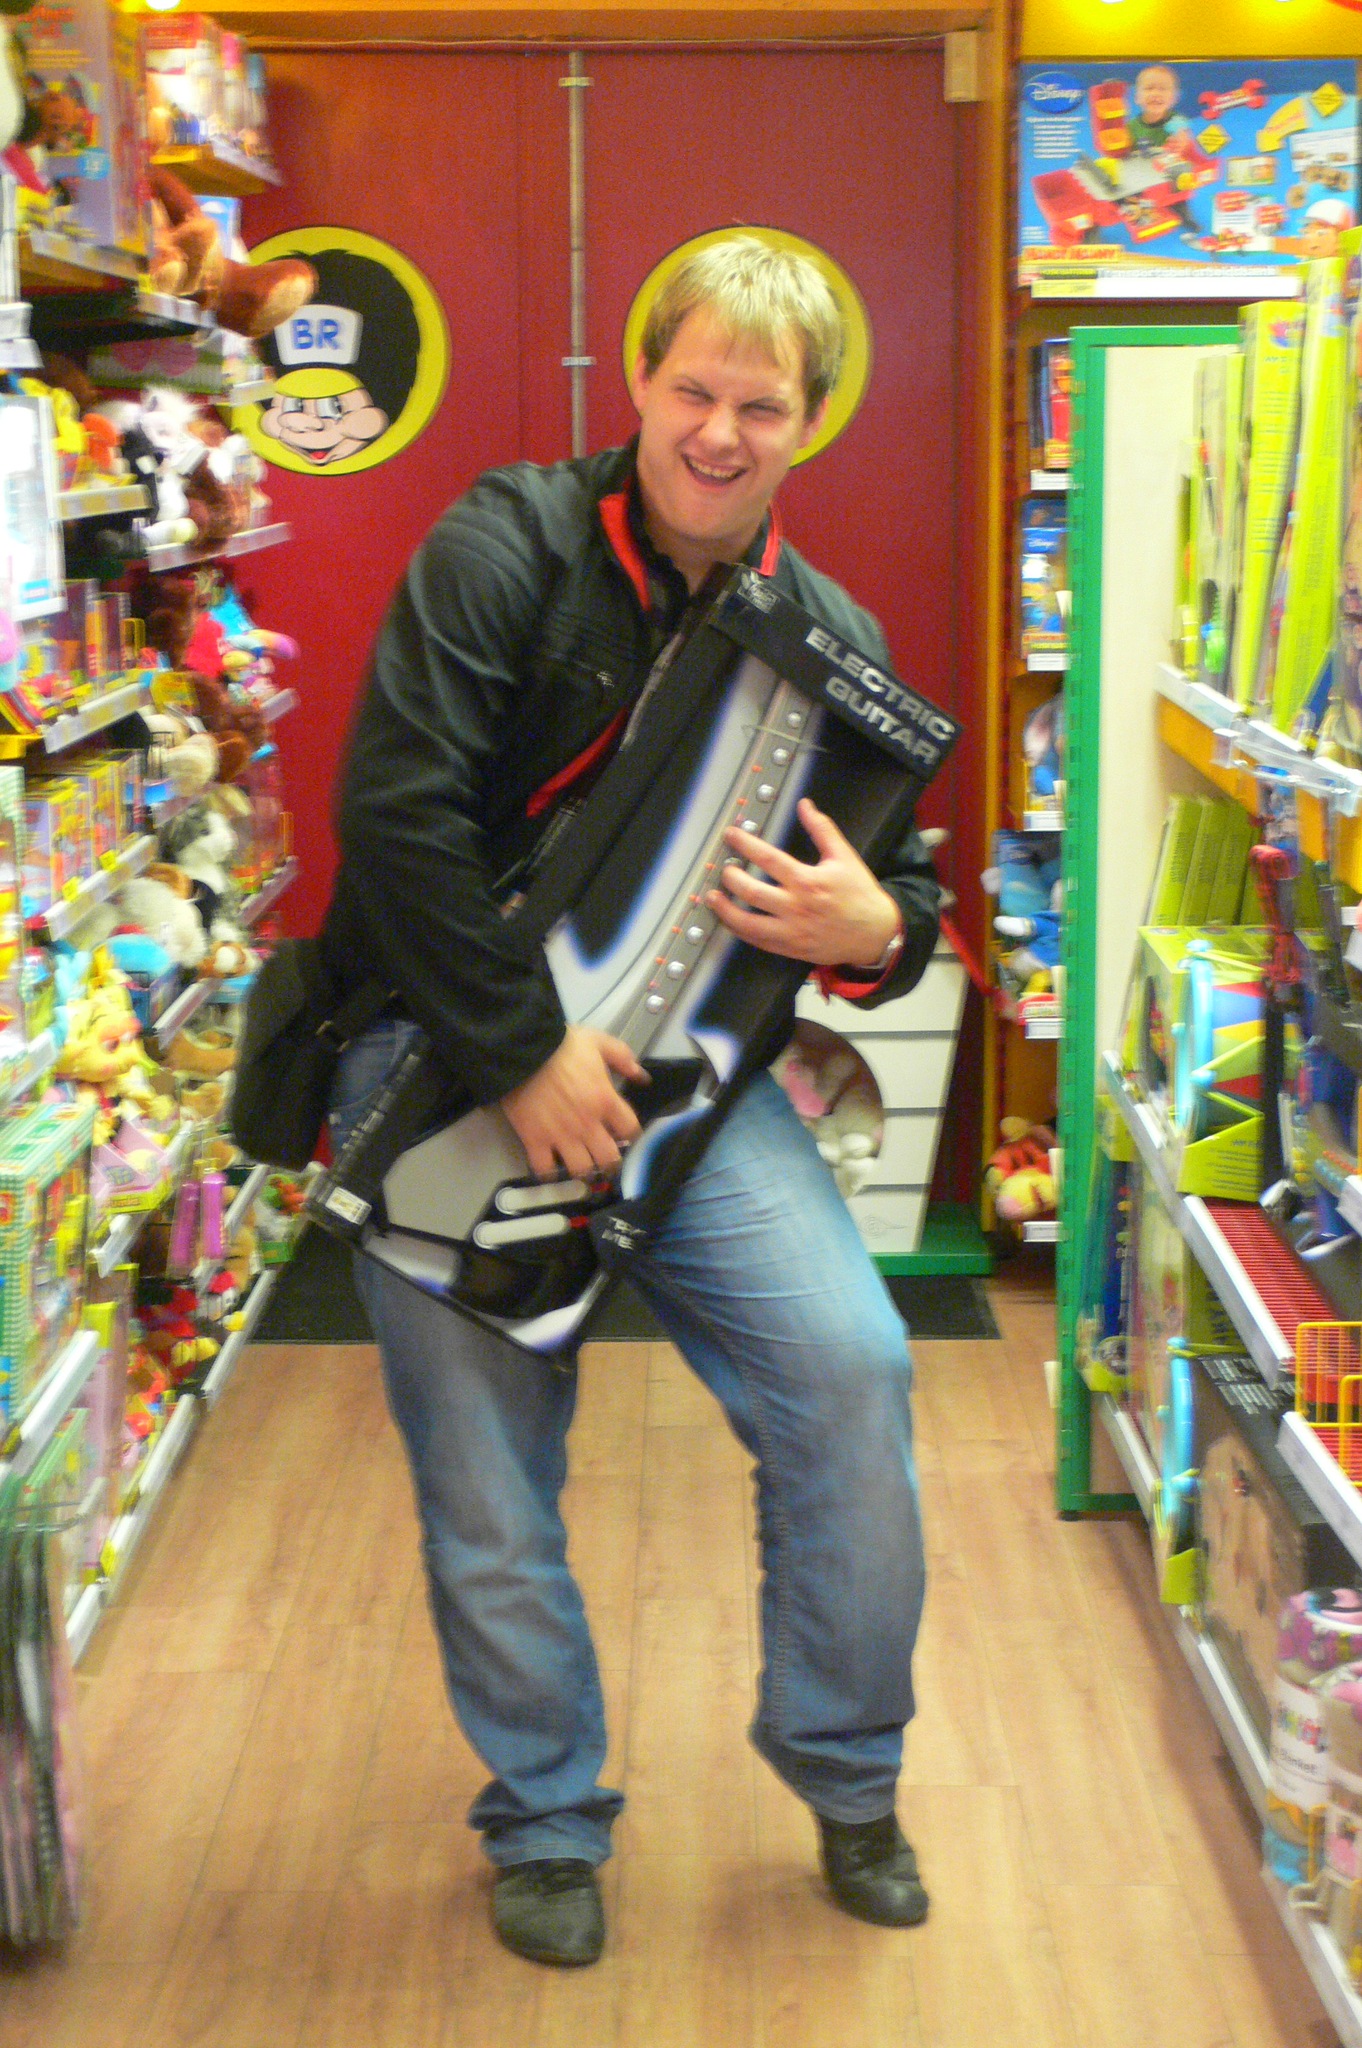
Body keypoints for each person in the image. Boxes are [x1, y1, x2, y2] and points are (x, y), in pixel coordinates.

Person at [322, 236, 941, 1969]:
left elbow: (896, 896)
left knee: (851, 1374)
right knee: (488, 1478)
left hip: (685, 1094)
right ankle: (542, 1817)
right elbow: (394, 812)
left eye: (762, 406)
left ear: (809, 422)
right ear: (639, 381)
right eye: (693, 391)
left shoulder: (833, 644)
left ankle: (848, 1773)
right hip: (443, 1055)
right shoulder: (505, 543)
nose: (719, 434)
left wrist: (878, 934)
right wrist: (518, 1052)